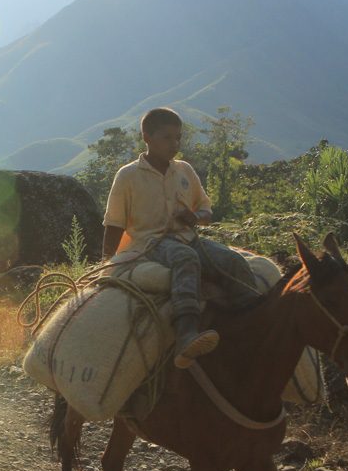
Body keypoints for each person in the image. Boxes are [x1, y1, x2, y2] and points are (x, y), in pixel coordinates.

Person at [102, 107, 257, 369]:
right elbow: (114, 223)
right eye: (167, 137)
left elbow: (207, 210)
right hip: (150, 244)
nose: (175, 144)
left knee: (233, 261)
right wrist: (105, 263)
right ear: (147, 138)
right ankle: (186, 331)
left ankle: (254, 321)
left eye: (178, 138)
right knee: (185, 259)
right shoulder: (127, 176)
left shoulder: (184, 170)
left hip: (189, 238)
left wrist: (194, 218)